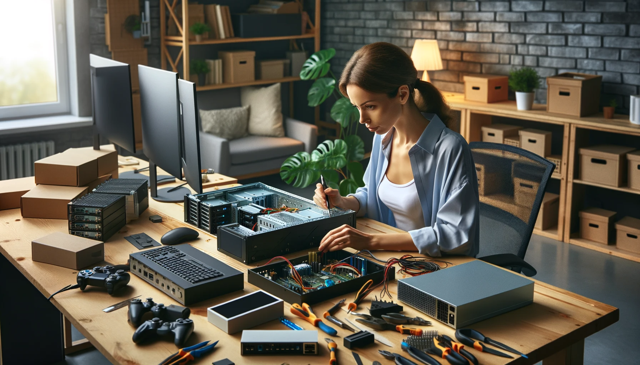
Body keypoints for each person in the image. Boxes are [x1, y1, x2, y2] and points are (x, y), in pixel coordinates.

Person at [313, 42, 479, 257]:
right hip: (392, 258)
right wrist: (343, 202)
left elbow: (456, 234)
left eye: (370, 106)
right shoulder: (383, 138)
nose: (362, 119)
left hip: (435, 266)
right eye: (357, 108)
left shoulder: (450, 148)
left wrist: (372, 241)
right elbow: (372, 196)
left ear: (402, 94)